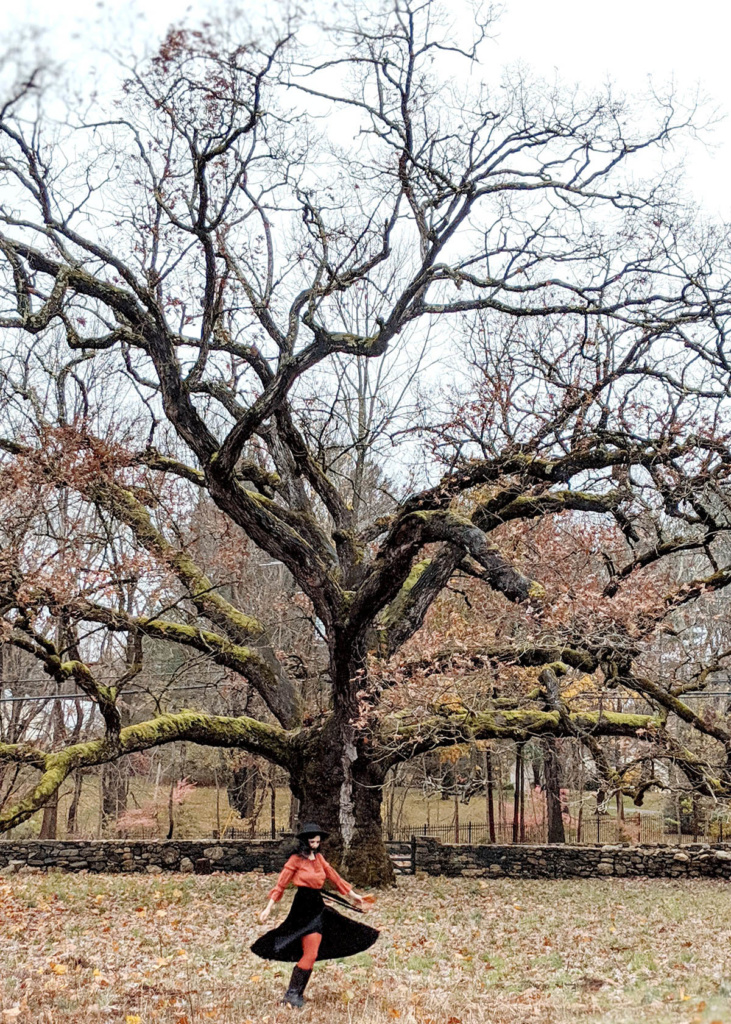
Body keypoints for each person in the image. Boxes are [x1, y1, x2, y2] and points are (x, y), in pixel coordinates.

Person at [251, 822, 379, 1008]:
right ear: (304, 841)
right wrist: (268, 908)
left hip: (317, 908)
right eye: (312, 841)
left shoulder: (319, 859)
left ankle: (293, 994)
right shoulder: (295, 860)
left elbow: (334, 877)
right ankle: (292, 995)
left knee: (311, 953)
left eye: (318, 841)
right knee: (297, 945)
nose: (316, 844)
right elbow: (281, 885)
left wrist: (354, 896)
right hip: (301, 908)